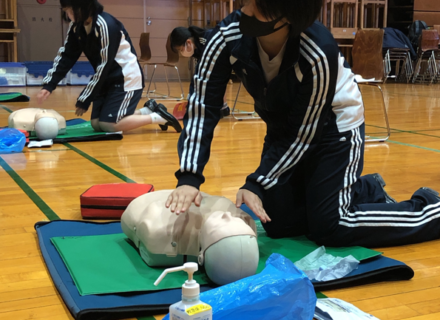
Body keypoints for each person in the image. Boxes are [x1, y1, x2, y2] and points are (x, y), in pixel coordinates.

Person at [166, 0, 440, 248]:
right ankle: (364, 189)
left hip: (335, 127)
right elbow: (203, 107)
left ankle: (429, 208)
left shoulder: (318, 52)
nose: (244, 10)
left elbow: (304, 136)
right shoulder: (226, 37)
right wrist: (189, 177)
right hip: (284, 127)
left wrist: (257, 183)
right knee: (278, 225)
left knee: (331, 227)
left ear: (286, 18)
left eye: (256, 6)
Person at [37, 0, 181, 133]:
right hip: (106, 80)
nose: (67, 15)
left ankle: (158, 117)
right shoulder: (76, 27)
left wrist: (85, 97)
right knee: (96, 123)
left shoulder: (105, 25)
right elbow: (67, 56)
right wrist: (49, 84)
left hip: (126, 79)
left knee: (108, 124)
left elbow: (104, 65)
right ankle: (146, 111)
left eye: (69, 10)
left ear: (82, 7)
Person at [122, 190, 258, 285]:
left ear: (201, 256)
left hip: (143, 204)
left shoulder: (160, 230)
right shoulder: (244, 219)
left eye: (221, 226)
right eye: (235, 222)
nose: (227, 215)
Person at [170, 26, 230, 118]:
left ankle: (222, 107)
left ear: (188, 42)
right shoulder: (196, 48)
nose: (181, 53)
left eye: (181, 50)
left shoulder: (206, 42)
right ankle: (220, 107)